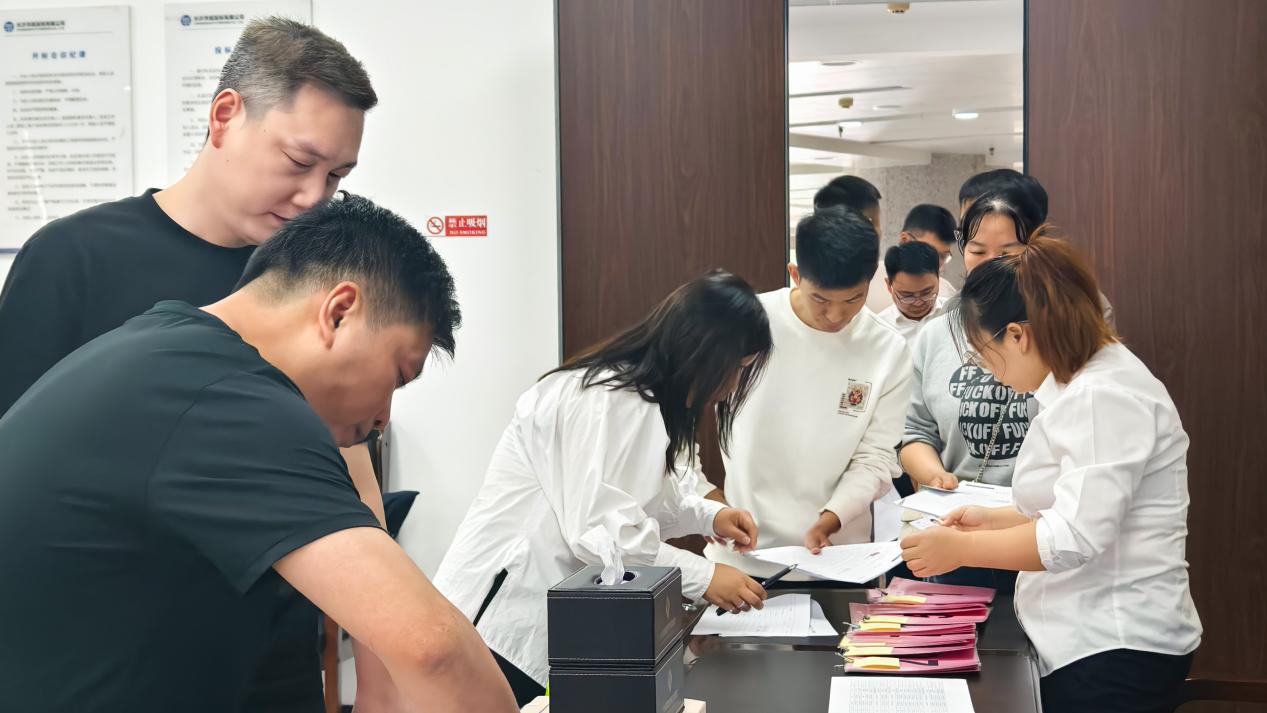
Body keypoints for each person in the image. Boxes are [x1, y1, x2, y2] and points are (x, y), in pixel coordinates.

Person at [0, 19, 398, 711]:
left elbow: (350, 466)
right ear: (225, 116)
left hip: (273, 659)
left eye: (336, 176)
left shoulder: (316, 284)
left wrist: (380, 663)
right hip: (113, 668)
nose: (315, 197)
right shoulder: (74, 259)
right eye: (298, 162)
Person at [0, 195, 518, 713]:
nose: (383, 416)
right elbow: (434, 651)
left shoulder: (162, 352)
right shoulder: (230, 400)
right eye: (398, 375)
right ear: (339, 312)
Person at [434, 270, 773, 706]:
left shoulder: (641, 401)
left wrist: (710, 516)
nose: (730, 389)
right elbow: (604, 536)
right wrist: (705, 577)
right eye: (736, 369)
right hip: (498, 620)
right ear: (703, 351)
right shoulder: (604, 398)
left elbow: (637, 505)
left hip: (544, 619)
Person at [900, 236, 1201, 713]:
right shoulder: (1076, 380)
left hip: (1114, 645)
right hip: (1084, 638)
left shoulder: (1102, 394)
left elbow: (1072, 537)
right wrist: (991, 520)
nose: (988, 371)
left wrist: (961, 549)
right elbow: (1070, 506)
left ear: (1017, 336)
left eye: (984, 354)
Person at [700, 207, 910, 575]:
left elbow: (876, 456)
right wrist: (703, 498)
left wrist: (833, 517)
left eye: (853, 300)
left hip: (838, 559)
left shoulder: (888, 349)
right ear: (795, 275)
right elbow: (677, 419)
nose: (836, 316)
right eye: (821, 300)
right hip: (741, 558)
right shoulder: (747, 323)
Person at [899, 188, 1043, 590]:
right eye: (978, 250)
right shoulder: (936, 333)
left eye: (1007, 251)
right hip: (957, 527)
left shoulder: (1052, 334)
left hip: (1038, 532)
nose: (991, 263)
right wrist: (935, 475)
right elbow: (914, 433)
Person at [876, 240, 948, 344]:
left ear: (938, 279)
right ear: (889, 285)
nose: (918, 303)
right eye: (907, 296)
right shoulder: (879, 329)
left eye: (927, 293)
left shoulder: (956, 314)